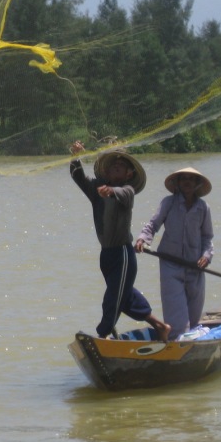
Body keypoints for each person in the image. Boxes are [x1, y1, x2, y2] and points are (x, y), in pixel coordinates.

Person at [69, 141, 170, 341]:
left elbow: (123, 194)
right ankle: (160, 326)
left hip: (122, 254)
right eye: (113, 165)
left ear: (128, 175)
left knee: (113, 297)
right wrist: (75, 157)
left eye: (122, 166)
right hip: (106, 254)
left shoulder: (127, 191)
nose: (117, 167)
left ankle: (103, 334)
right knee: (125, 298)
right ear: (106, 171)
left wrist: (112, 191)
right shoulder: (96, 189)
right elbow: (78, 177)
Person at [134, 166, 214, 339]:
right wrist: (142, 239)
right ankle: (176, 351)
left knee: (193, 321)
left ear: (197, 184)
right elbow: (153, 225)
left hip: (195, 268)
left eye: (191, 179)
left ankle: (190, 351)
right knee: (178, 322)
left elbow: (207, 237)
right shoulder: (168, 203)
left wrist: (206, 256)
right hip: (171, 266)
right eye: (183, 178)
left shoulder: (203, 208)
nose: (187, 182)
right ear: (177, 183)